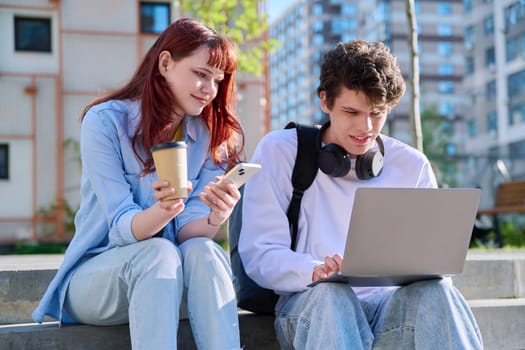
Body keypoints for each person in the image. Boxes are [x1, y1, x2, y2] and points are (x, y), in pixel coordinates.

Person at [238, 40, 483, 349]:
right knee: (332, 295)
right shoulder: (281, 151)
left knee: (439, 291)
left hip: (388, 310)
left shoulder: (412, 165)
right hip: (311, 306)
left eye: (377, 113)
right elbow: (260, 254)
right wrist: (315, 270)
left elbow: (430, 264)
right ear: (325, 101)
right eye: (351, 111)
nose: (365, 127)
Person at [33, 18, 244, 350]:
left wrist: (217, 216)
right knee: (158, 252)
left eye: (217, 80)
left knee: (204, 250)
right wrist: (163, 211)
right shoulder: (105, 122)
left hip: (169, 280)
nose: (210, 89)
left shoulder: (207, 135)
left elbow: (189, 231)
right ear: (165, 63)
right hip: (97, 278)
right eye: (201, 74)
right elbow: (120, 226)